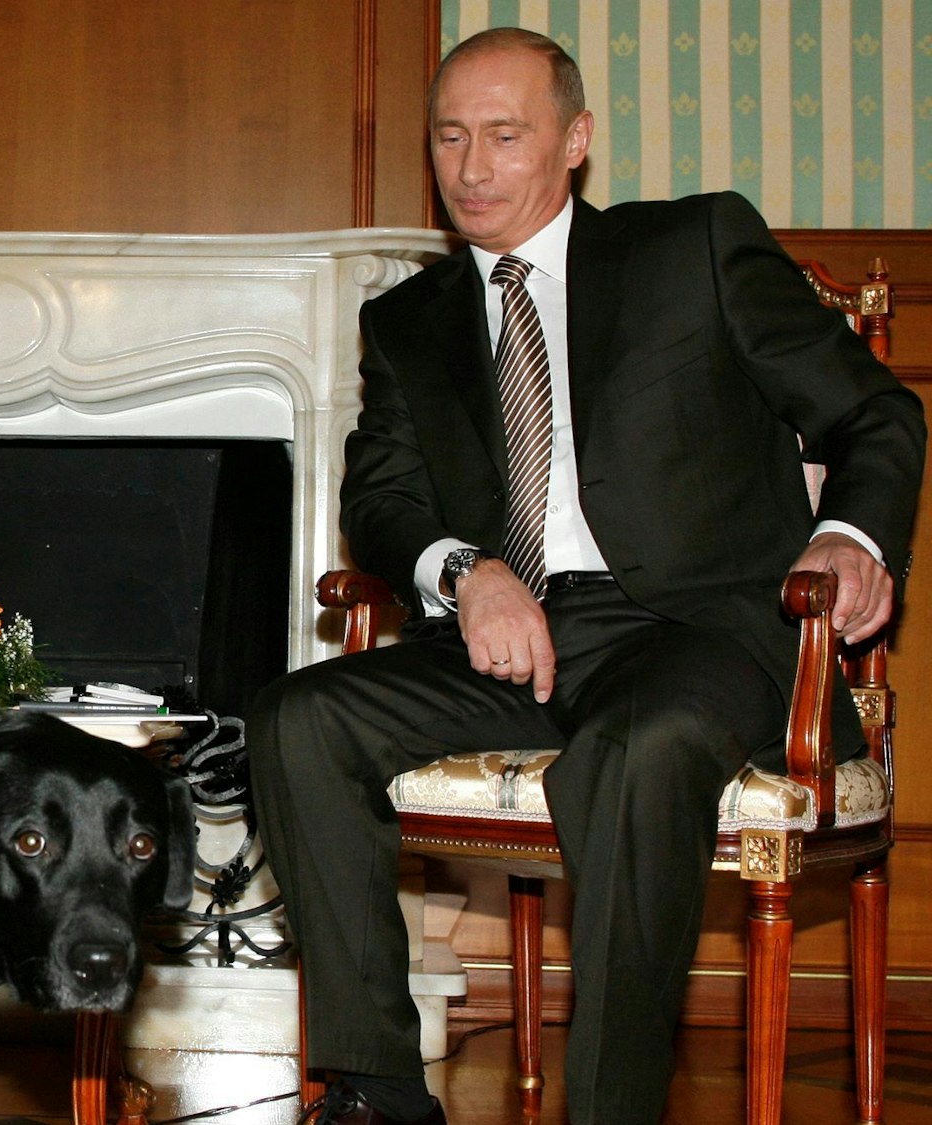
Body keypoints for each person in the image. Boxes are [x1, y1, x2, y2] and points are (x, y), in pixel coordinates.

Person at [247, 26, 924, 1125]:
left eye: (503, 136)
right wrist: (466, 572)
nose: (470, 168)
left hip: (695, 632)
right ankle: (374, 1090)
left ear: (574, 141)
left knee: (633, 749)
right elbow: (379, 504)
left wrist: (848, 533)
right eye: (450, 137)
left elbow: (873, 411)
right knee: (294, 719)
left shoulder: (690, 248)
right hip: (509, 638)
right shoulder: (405, 320)